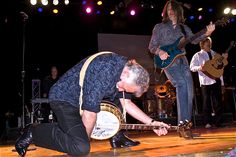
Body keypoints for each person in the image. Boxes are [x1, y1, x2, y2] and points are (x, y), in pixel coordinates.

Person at [15, 52, 170, 157]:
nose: (119, 89)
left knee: (116, 100)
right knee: (81, 148)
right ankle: (33, 131)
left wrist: (152, 123)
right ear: (126, 73)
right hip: (64, 99)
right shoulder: (103, 71)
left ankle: (117, 137)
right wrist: (84, 139)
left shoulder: (125, 72)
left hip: (82, 103)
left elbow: (126, 102)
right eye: (122, 86)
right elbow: (90, 114)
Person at [148, 0, 215, 138]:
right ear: (165, 11)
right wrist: (160, 52)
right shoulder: (159, 27)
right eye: (168, 9)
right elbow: (152, 46)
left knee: (189, 91)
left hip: (183, 60)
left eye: (173, 8)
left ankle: (185, 125)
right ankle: (182, 126)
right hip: (168, 61)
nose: (170, 11)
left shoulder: (184, 28)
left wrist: (207, 33)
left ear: (178, 10)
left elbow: (195, 40)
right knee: (181, 84)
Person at [190, 37, 228, 128]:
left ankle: (218, 122)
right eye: (207, 44)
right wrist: (200, 68)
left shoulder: (215, 54)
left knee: (218, 103)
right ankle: (207, 122)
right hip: (205, 82)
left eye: (210, 44)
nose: (209, 45)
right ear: (202, 44)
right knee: (206, 103)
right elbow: (191, 67)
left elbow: (220, 70)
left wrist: (222, 83)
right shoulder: (198, 55)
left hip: (216, 81)